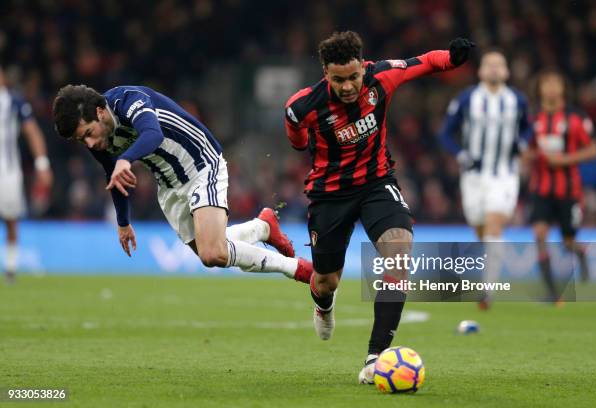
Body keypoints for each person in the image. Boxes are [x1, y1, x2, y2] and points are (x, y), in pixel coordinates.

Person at [284, 31, 474, 383]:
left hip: (377, 183)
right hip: (329, 194)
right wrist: (301, 139)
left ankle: (376, 357)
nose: (347, 87)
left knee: (399, 257)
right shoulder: (304, 106)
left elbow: (424, 62)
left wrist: (452, 58)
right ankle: (323, 303)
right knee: (326, 281)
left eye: (353, 77)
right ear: (325, 73)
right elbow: (296, 137)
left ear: (362, 67)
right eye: (338, 79)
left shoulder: (382, 76)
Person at [52, 84, 312, 283]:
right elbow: (114, 177)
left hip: (201, 163)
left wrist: (126, 159)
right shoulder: (99, 139)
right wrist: (123, 222)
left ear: (99, 111)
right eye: (80, 140)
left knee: (213, 253)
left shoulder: (128, 100)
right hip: (168, 185)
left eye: (87, 134)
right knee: (209, 253)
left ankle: (296, 268)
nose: (89, 144)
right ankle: (262, 227)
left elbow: (152, 134)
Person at [438, 50, 532, 308]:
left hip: (504, 174)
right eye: (489, 65)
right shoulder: (468, 98)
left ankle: (487, 291)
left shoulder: (517, 100)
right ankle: (491, 269)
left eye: (498, 65)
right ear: (480, 71)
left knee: (493, 225)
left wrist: (522, 144)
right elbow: (445, 133)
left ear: (506, 71)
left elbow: (528, 127)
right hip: (473, 177)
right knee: (480, 227)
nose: (493, 69)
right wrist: (462, 155)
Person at [527, 70, 596, 300]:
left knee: (568, 241)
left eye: (554, 82)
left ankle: (580, 251)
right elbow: (526, 149)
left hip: (569, 190)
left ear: (563, 89)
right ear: (539, 89)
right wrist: (527, 155)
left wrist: (564, 160)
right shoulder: (533, 120)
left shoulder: (576, 118)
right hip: (541, 188)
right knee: (539, 233)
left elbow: (593, 150)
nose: (549, 87)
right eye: (545, 82)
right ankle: (551, 292)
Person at [0, 64, 53, 284]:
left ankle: (11, 269)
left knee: (11, 219)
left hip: (7, 170)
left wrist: (42, 164)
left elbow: (32, 131)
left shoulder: (13, 101)